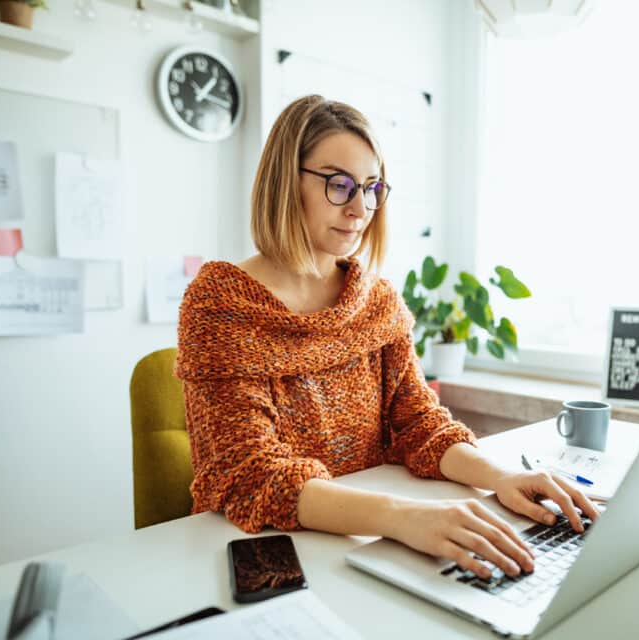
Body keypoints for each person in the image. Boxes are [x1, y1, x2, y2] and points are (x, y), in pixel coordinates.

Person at [175, 94, 599, 582]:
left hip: (364, 549)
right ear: (285, 182)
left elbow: (420, 425)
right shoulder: (220, 303)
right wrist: (401, 517)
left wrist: (504, 478)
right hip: (270, 554)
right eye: (340, 185)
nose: (361, 208)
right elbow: (253, 475)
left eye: (372, 187)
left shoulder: (376, 301)